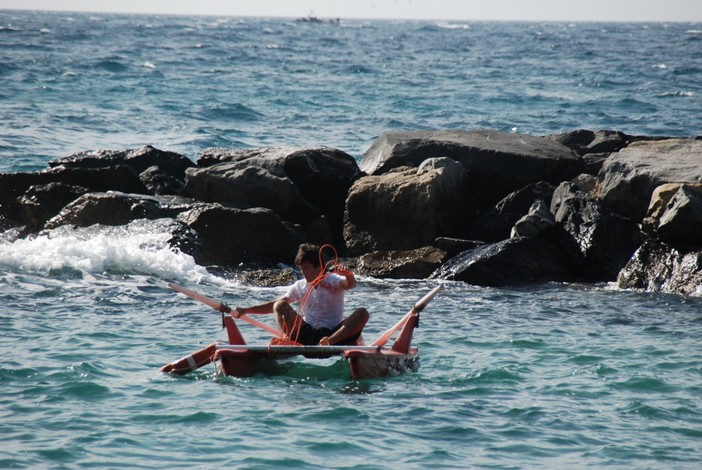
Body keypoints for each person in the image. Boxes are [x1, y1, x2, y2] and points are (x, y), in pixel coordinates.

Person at [229, 243, 369, 346]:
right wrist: (246, 310)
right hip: (307, 334)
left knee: (363, 313)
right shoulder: (300, 286)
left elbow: (350, 284)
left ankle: (327, 343)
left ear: (319, 267)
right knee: (280, 304)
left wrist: (348, 275)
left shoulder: (332, 281)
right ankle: (286, 340)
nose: (303, 273)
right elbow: (275, 306)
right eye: (301, 269)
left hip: (333, 334)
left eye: (306, 268)